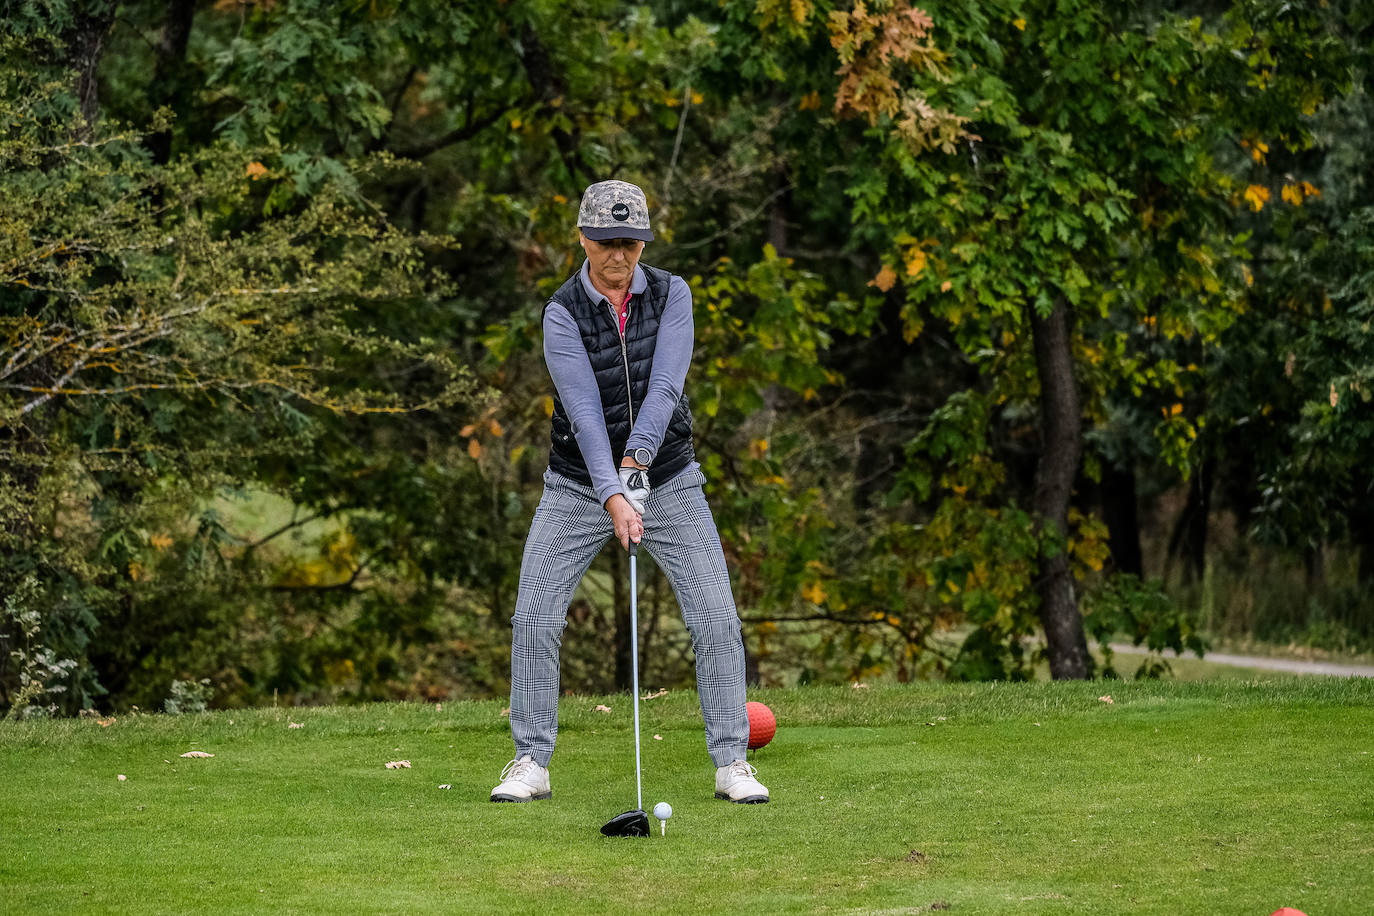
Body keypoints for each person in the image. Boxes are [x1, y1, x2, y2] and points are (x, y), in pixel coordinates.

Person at [490, 179, 769, 805]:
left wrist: (638, 466)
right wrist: (614, 493)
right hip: (576, 486)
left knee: (716, 616)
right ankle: (530, 760)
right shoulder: (561, 312)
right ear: (583, 239)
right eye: (607, 242)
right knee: (534, 615)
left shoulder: (673, 294)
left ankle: (732, 763)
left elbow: (666, 387)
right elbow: (584, 413)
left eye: (631, 242)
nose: (620, 256)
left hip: (670, 479)